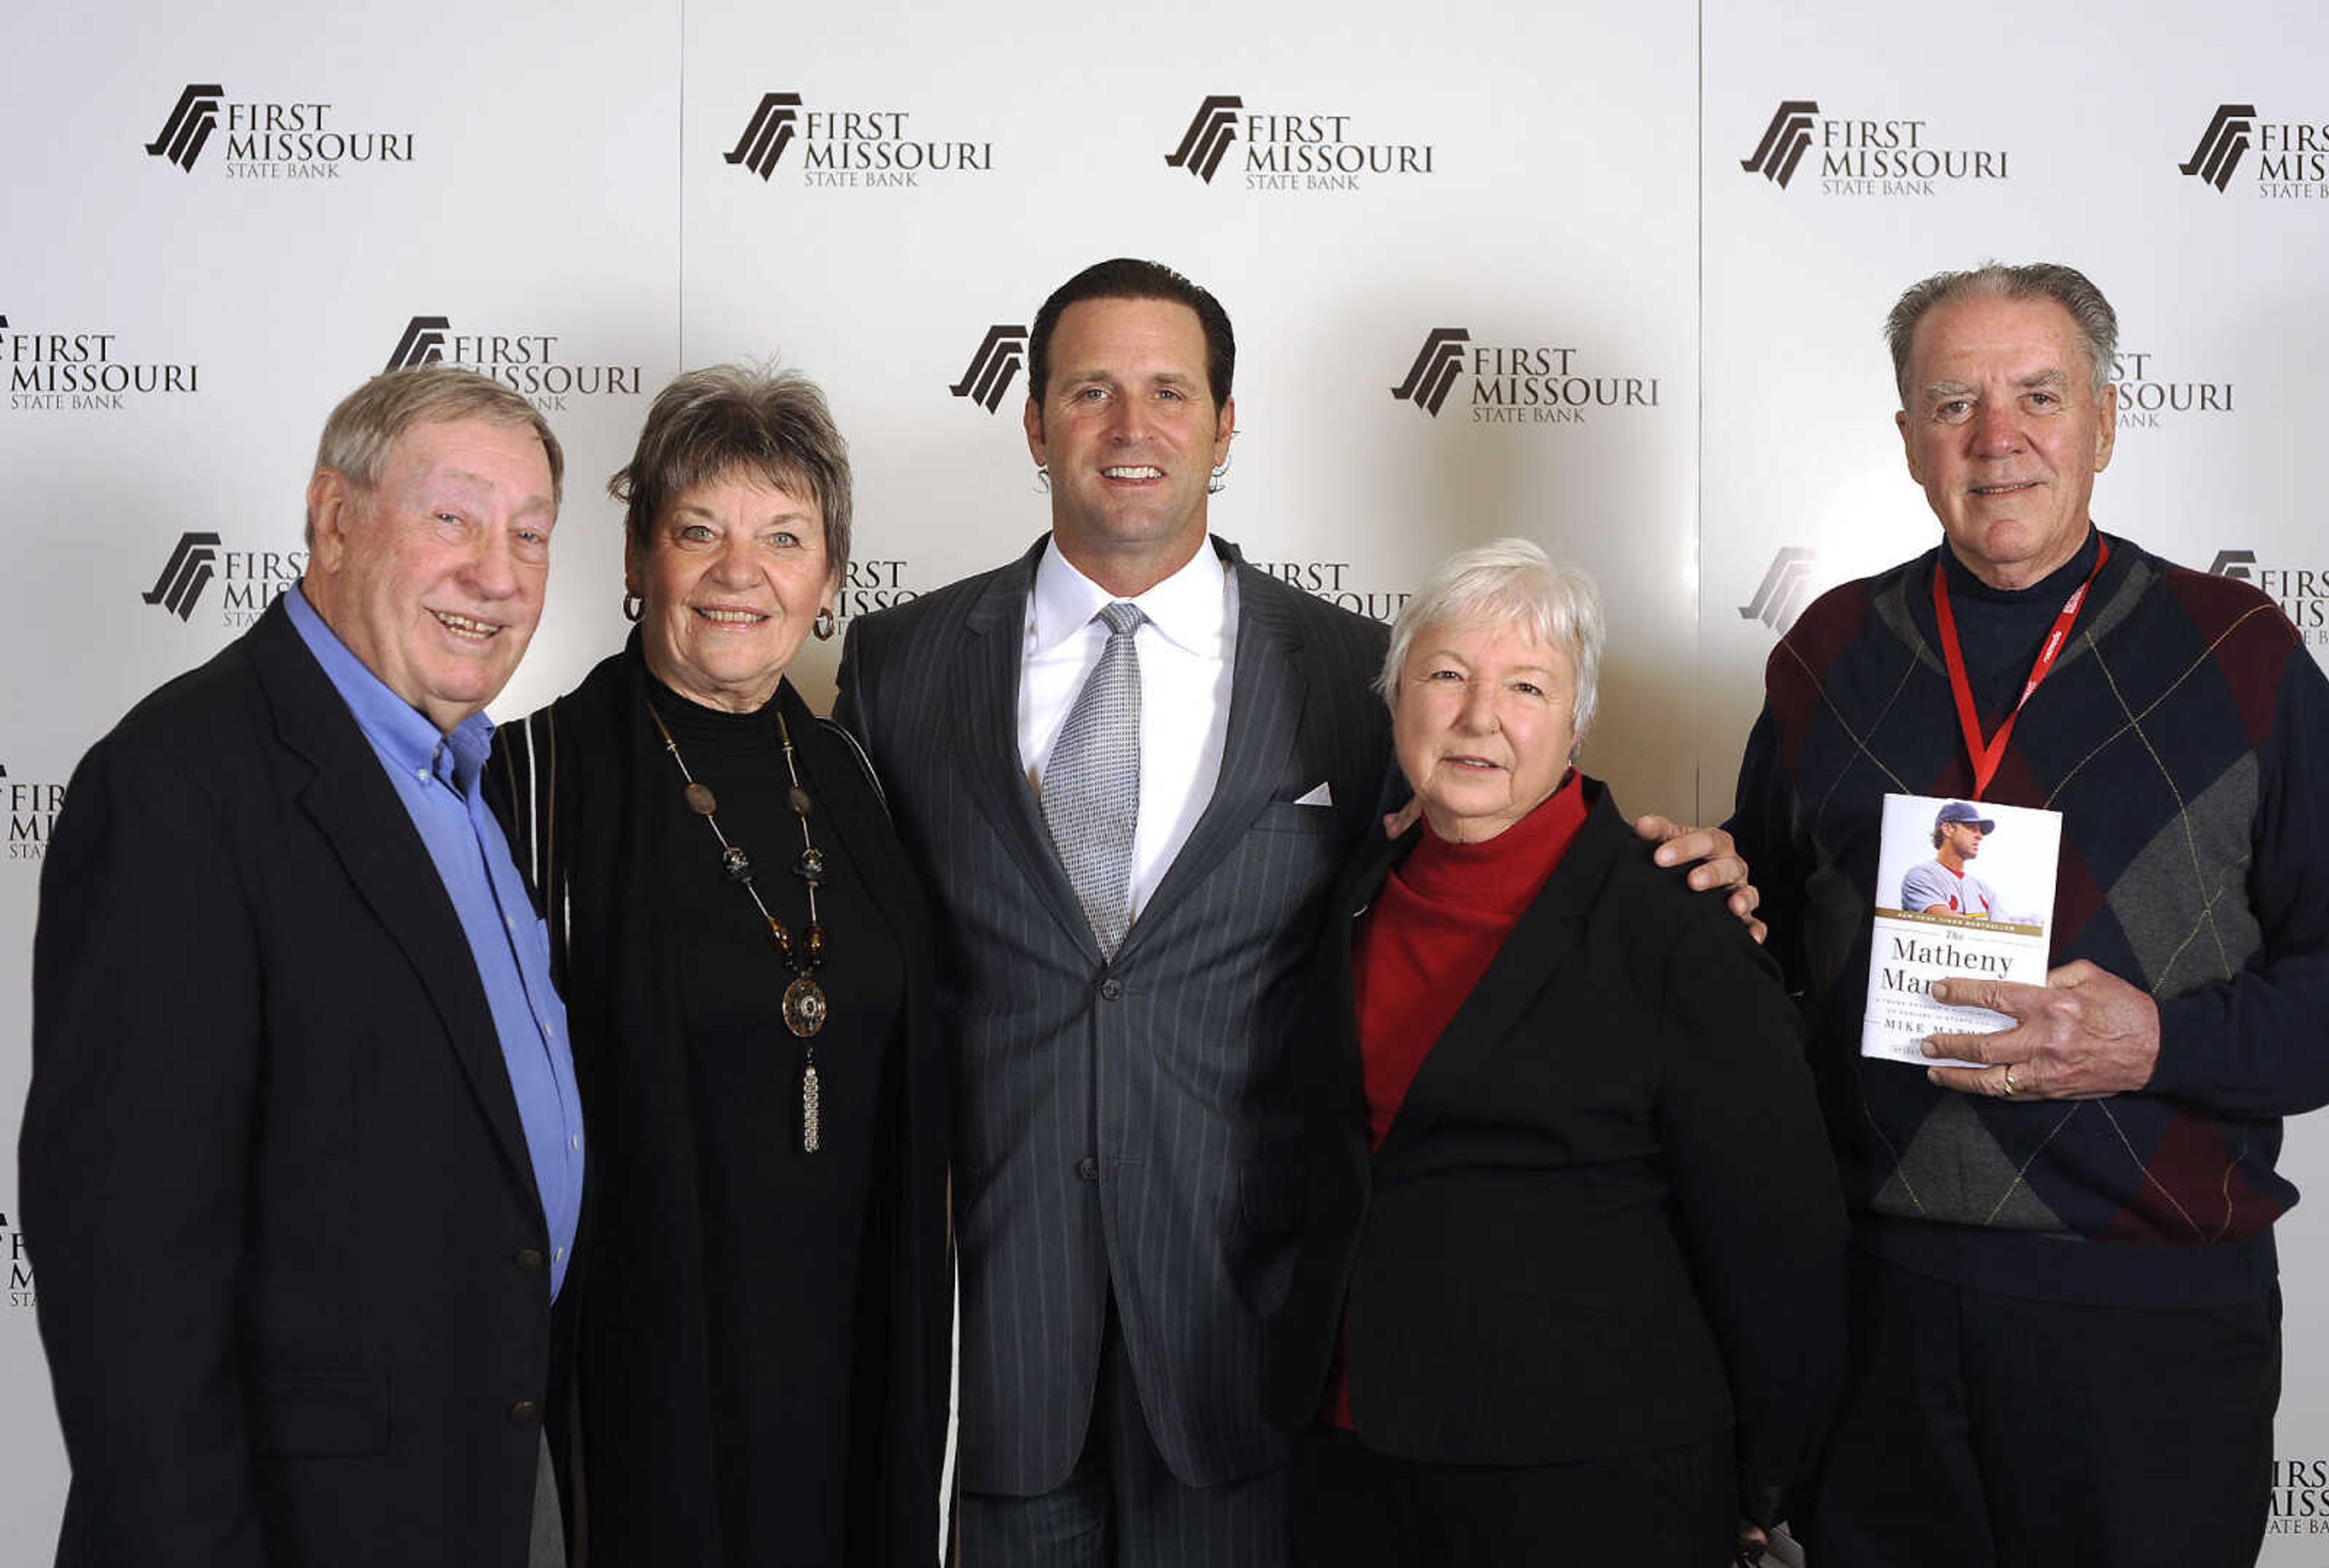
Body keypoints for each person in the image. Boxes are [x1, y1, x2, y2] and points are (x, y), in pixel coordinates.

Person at [838, 258, 1763, 1565]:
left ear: (1226, 428)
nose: (1130, 425)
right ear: (1035, 421)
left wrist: (1665, 862)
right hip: (995, 1326)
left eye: (1171, 391)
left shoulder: (1346, 669)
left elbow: (1479, 828)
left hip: (1252, 1339)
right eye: (1090, 389)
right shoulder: (898, 664)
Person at [1727, 261, 2329, 1567]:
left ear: (2106, 420)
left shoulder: (2244, 653)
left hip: (2152, 1316)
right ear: (1904, 438)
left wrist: (2156, 1043)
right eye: (1954, 403)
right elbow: (1756, 967)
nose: (1997, 441)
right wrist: (1699, 908)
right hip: (1879, 1308)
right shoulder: (1824, 654)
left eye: (2039, 396)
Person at [22, 366, 583, 1567]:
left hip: (482, 1481)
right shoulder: (183, 782)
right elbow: (129, 1277)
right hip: (301, 1524)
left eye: (529, 536)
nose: (497, 572)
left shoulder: (468, 780)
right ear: (334, 518)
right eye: (454, 519)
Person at [1263, 539, 1845, 1566]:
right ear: (1396, 698)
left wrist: (1766, 1478)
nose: (1479, 717)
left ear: (1576, 722)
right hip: (1351, 1466)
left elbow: (1778, 1237)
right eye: (1446, 676)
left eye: (1526, 686)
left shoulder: (1679, 927)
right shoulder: (1351, 892)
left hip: (1595, 1483)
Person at [486, 366, 950, 1567]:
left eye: (784, 536)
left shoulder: (848, 777)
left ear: (830, 579)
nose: (741, 571)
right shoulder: (534, 781)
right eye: (700, 531)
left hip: (848, 1340)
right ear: (639, 562)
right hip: (640, 1359)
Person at [1900, 801, 1998, 917]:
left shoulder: (1984, 890)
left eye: (1981, 831)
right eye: (1972, 828)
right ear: (1947, 829)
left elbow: (2005, 931)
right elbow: (1946, 924)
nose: (1980, 836)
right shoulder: (1921, 876)